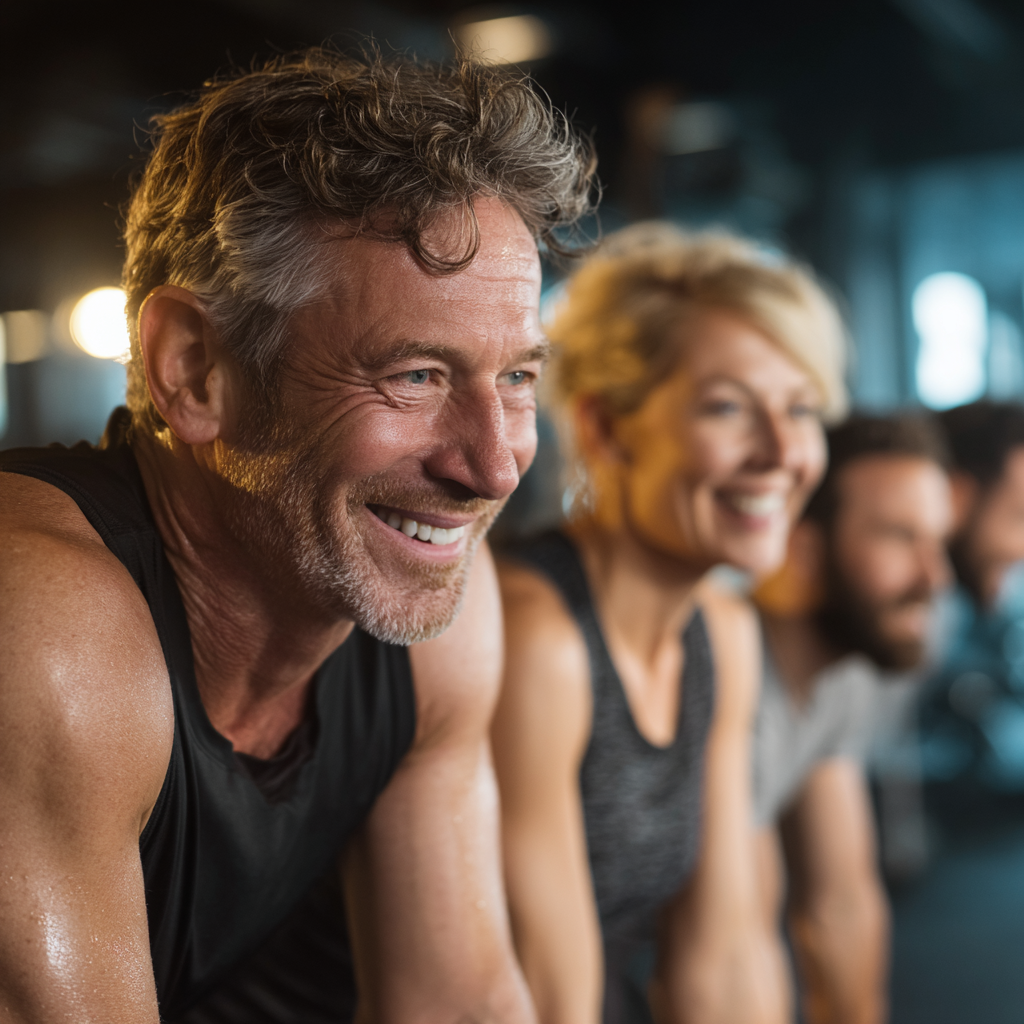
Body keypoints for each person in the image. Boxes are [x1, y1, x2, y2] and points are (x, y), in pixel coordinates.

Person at [0, 48, 596, 1024]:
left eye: (517, 378)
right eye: (415, 375)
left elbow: (456, 1004)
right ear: (195, 371)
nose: (492, 468)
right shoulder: (44, 630)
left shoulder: (437, 603)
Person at [491, 223, 848, 1024]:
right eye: (728, 408)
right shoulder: (536, 635)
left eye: (801, 409)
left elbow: (726, 954)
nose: (784, 452)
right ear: (607, 429)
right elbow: (548, 999)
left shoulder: (720, 631)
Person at [752, 413, 953, 1024]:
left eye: (936, 540)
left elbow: (842, 903)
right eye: (897, 537)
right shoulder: (734, 688)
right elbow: (728, 952)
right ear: (803, 549)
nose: (934, 577)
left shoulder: (844, 675)